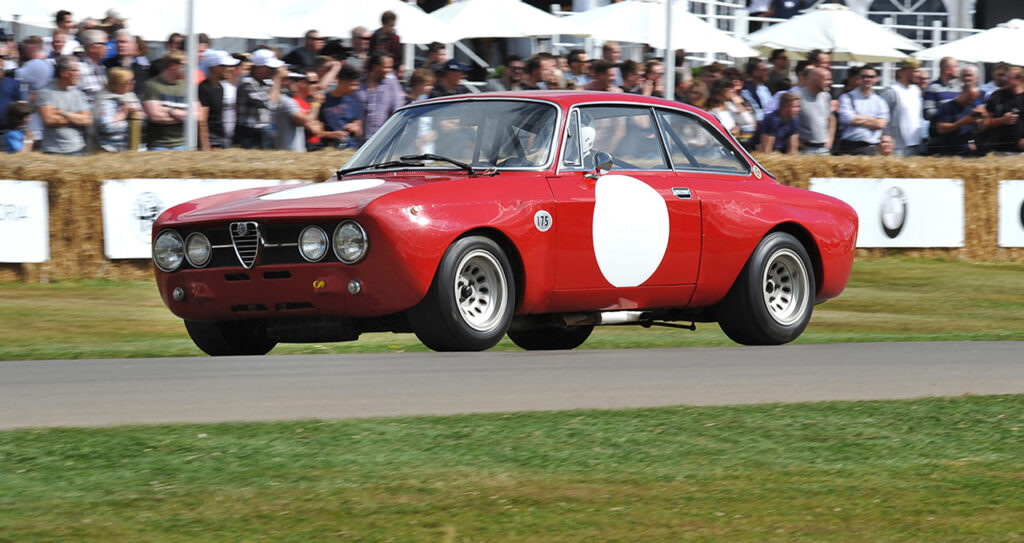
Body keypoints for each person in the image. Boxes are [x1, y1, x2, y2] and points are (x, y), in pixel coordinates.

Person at [36, 55, 92, 155]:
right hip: (53, 150)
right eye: (74, 71)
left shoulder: (77, 93)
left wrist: (63, 113)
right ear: (63, 73)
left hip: (77, 148)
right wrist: (77, 119)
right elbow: (49, 120)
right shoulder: (46, 93)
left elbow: (87, 120)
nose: (78, 74)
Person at [236, 48, 286, 149]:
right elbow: (270, 104)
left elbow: (278, 103)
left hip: (265, 129)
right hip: (250, 132)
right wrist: (277, 80)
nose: (272, 70)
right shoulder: (247, 82)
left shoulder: (266, 82)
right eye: (269, 67)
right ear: (259, 67)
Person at [141, 50, 191, 151]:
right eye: (185, 65)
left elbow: (197, 116)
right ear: (172, 65)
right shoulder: (152, 85)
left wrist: (170, 111)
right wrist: (184, 117)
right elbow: (155, 116)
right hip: (158, 145)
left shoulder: (188, 86)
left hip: (184, 144)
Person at [835, 65, 889, 156]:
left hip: (871, 147)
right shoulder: (847, 97)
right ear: (858, 78)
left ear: (876, 79)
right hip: (850, 146)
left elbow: (881, 124)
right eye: (864, 76)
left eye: (871, 77)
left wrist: (856, 119)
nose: (867, 79)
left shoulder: (880, 101)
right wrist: (873, 120)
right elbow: (847, 118)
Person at [356, 53, 405, 144]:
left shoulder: (392, 84)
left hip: (381, 142)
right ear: (375, 67)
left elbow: (397, 111)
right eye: (387, 67)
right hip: (357, 142)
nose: (390, 70)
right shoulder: (357, 84)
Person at [880, 58, 923, 157]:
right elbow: (883, 118)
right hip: (897, 146)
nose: (919, 75)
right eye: (916, 71)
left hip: (915, 144)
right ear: (906, 71)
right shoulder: (891, 91)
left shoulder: (916, 90)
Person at [92, 67, 142, 152]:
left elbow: (144, 122)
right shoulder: (105, 101)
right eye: (130, 81)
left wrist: (137, 116)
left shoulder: (131, 97)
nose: (134, 82)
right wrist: (122, 114)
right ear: (120, 83)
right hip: (111, 149)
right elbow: (108, 127)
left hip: (135, 148)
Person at [198, 50, 239, 150]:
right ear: (214, 67)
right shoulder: (204, 87)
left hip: (220, 138)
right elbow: (202, 120)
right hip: (211, 140)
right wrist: (205, 146)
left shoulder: (220, 87)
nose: (230, 69)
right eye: (225, 66)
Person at [928, 84, 982, 156]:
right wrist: (961, 122)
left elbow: (971, 131)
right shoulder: (947, 107)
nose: (971, 102)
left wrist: (971, 142)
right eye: (969, 99)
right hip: (950, 152)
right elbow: (941, 129)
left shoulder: (973, 107)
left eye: (973, 100)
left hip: (967, 152)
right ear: (962, 93)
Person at [980, 66, 1024, 154]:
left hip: (1021, 154)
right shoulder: (997, 96)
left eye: (1008, 78)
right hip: (998, 153)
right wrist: (1002, 120)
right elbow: (983, 123)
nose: (1004, 79)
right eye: (1004, 76)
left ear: (1020, 80)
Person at [318, 63, 362, 150]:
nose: (356, 88)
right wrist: (330, 135)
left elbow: (359, 131)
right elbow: (313, 130)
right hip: (328, 150)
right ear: (342, 82)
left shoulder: (353, 102)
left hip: (350, 148)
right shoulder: (323, 101)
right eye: (352, 85)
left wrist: (356, 128)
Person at [276, 72, 322, 152]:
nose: (317, 86)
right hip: (290, 150)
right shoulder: (289, 101)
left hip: (300, 148)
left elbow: (319, 129)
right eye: (313, 83)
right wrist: (316, 103)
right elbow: (312, 128)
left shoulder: (306, 102)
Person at [923, 56, 960, 121]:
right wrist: (948, 111)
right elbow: (927, 113)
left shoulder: (957, 88)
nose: (958, 69)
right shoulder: (932, 88)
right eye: (956, 67)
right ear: (947, 70)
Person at [77, 29, 108, 104]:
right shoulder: (78, 69)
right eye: (104, 44)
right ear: (92, 47)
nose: (107, 48)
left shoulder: (102, 68)